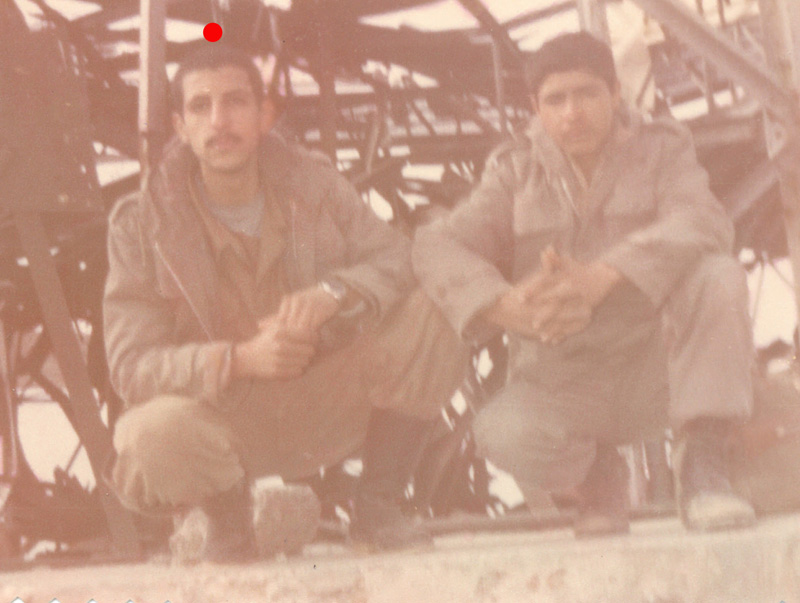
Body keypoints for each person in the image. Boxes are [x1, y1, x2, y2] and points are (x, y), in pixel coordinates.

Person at [103, 45, 466, 560]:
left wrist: (333, 294)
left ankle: (378, 508)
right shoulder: (142, 225)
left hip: (324, 400)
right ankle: (229, 525)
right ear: (180, 126)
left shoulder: (315, 186)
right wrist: (237, 359)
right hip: (220, 423)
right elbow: (132, 367)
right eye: (201, 106)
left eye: (236, 102)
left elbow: (399, 259)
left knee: (441, 306)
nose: (219, 121)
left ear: (265, 115)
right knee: (147, 434)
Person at [413, 31, 756, 536]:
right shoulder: (514, 170)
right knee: (501, 432)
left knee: (719, 276)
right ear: (536, 108)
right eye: (556, 100)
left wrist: (605, 275)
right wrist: (505, 306)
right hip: (567, 373)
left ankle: (704, 470)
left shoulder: (661, 149)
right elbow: (435, 246)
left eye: (587, 94)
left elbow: (703, 221)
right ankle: (598, 481)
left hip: (656, 368)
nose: (572, 113)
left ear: (615, 94)